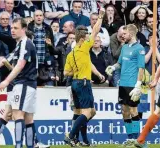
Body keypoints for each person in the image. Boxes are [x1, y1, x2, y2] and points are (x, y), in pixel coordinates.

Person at [0, 18, 37, 148]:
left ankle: (18, 146)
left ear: (24, 30)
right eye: (11, 28)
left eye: (16, 28)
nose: (12, 30)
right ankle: (31, 146)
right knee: (28, 118)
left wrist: (6, 81)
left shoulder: (25, 43)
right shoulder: (19, 45)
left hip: (24, 83)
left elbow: (20, 65)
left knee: (17, 114)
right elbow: (7, 59)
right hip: (28, 84)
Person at [63, 6, 105, 147]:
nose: (89, 36)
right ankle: (71, 135)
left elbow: (65, 73)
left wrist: (78, 69)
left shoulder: (71, 53)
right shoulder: (85, 46)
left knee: (85, 112)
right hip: (83, 83)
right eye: (87, 35)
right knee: (88, 112)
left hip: (75, 82)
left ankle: (84, 141)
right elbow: (96, 30)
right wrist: (100, 16)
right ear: (82, 37)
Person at [105, 24, 145, 147]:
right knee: (124, 110)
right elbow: (119, 63)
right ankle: (130, 139)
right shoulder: (124, 47)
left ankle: (138, 140)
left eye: (125, 33)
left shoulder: (139, 48)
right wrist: (113, 67)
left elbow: (141, 68)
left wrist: (138, 85)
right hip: (123, 83)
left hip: (133, 85)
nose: (123, 35)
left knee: (134, 110)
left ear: (131, 34)